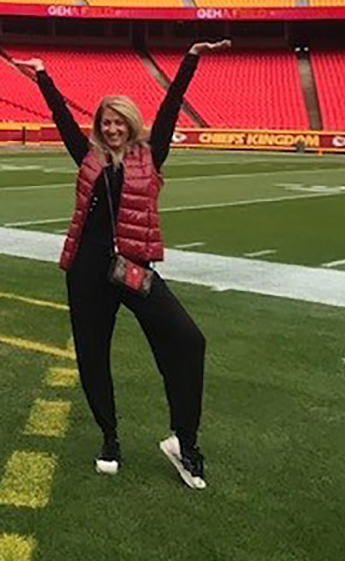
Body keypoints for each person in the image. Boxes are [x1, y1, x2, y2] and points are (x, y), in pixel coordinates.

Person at [14, 41, 231, 490]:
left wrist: (191, 59)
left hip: (133, 269)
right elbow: (61, 120)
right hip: (87, 270)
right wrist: (43, 77)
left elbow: (170, 110)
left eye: (118, 122)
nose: (112, 129)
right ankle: (109, 438)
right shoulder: (88, 156)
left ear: (131, 124)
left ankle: (184, 442)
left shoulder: (151, 156)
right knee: (94, 357)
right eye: (105, 123)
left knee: (188, 340)